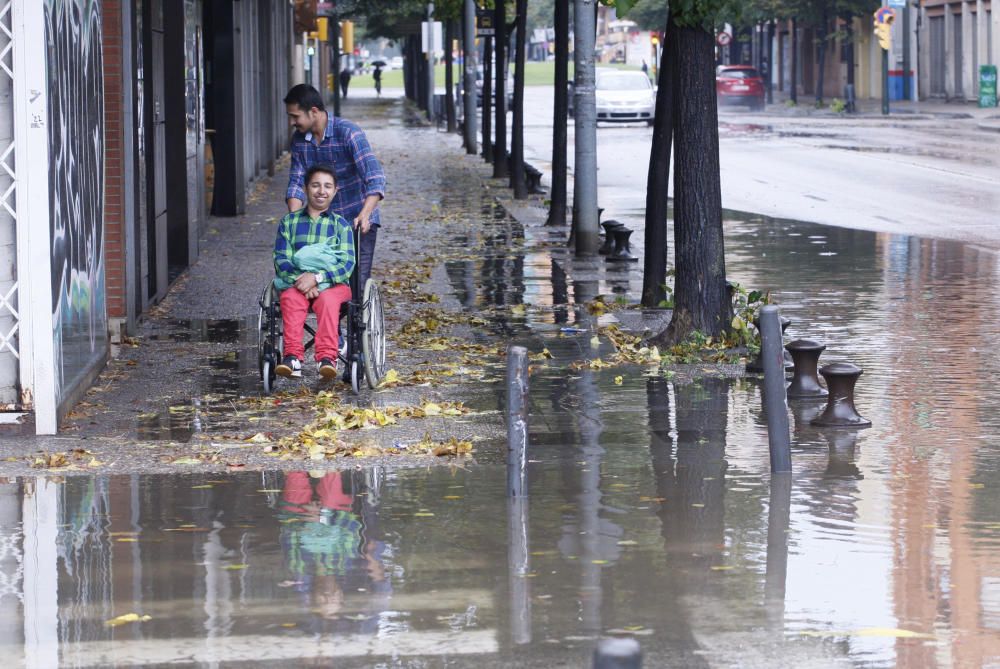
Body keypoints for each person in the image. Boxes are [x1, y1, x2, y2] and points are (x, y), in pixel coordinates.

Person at [284, 83, 385, 290]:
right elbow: (296, 182)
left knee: (356, 287)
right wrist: (295, 220)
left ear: (313, 111)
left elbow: (375, 178)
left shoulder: (349, 133)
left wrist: (365, 214)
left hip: (356, 220)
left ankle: (357, 320)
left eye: (295, 117)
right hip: (323, 225)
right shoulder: (299, 141)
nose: (292, 122)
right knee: (324, 285)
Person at [274, 164, 355, 380]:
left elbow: (347, 264)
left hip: (334, 285)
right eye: (316, 185)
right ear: (306, 188)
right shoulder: (289, 222)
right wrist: (302, 281)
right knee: (290, 298)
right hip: (297, 284)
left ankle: (327, 358)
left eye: (327, 186)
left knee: (327, 300)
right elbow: (281, 259)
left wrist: (317, 279)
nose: (321, 191)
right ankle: (292, 357)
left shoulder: (341, 225)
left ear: (335, 191)